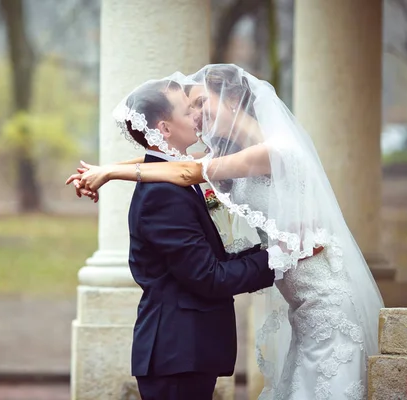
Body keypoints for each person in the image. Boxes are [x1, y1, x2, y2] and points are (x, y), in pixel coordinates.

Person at [67, 64, 384, 400]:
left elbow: (185, 170)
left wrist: (110, 172)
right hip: (294, 292)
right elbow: (165, 159)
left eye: (201, 103)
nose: (196, 114)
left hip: (320, 288)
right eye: (190, 107)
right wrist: (109, 170)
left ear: (232, 100)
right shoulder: (230, 155)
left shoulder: (275, 151)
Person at [94, 75, 278, 400]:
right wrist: (278, 259)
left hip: (185, 352)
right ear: (164, 129)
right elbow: (209, 277)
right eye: (186, 110)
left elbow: (211, 261)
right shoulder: (162, 195)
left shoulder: (178, 178)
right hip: (176, 353)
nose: (196, 116)